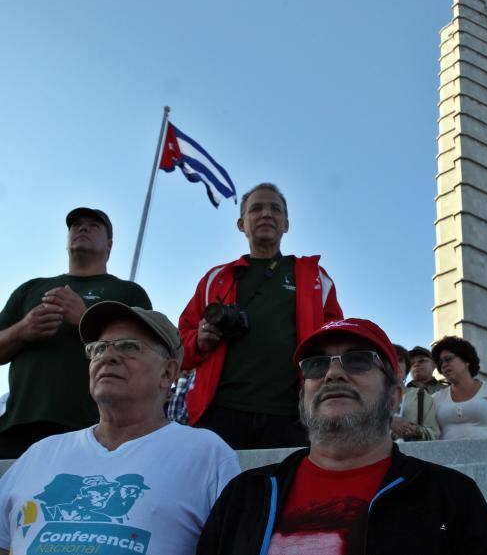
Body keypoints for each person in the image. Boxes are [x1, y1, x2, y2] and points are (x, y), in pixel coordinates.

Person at [197, 318, 487, 554]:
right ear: (303, 397)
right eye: (316, 365)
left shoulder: (452, 496)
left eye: (358, 361)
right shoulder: (245, 495)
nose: (332, 374)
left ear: (395, 397)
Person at [0, 301, 241, 555]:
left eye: (128, 346)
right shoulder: (40, 454)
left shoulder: (206, 454)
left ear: (167, 373)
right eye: (98, 348)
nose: (107, 356)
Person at [179, 182, 343, 449]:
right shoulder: (216, 279)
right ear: (241, 224)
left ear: (286, 224)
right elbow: (180, 343)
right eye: (256, 209)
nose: (266, 214)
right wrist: (199, 341)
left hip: (292, 417)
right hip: (219, 413)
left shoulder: (316, 279)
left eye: (275, 209)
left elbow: (336, 342)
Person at [0, 207, 151, 459]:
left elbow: (143, 353)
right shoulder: (31, 289)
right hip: (18, 427)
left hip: (93, 430)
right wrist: (23, 329)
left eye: (94, 225)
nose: (82, 228)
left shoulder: (128, 292)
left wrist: (84, 319)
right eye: (76, 224)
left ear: (109, 245)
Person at [431, 336, 487, 439]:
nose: (444, 365)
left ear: (466, 360)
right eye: (440, 362)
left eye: (448, 359)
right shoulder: (435, 399)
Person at [391, 345, 440, 441]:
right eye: (390, 359)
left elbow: (434, 434)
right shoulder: (369, 396)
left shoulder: (420, 395)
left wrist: (411, 429)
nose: (396, 363)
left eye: (400, 360)